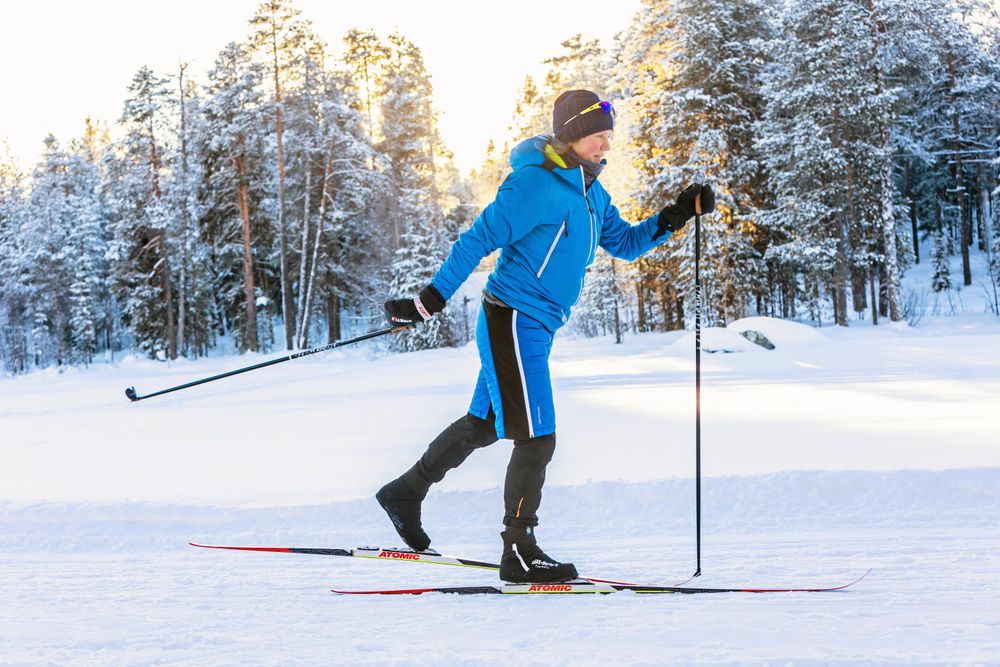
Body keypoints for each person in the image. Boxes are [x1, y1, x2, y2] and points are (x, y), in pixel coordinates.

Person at [378, 89, 715, 583]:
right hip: (512, 318)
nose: (606, 146)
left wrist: (676, 214)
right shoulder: (535, 185)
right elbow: (476, 241)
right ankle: (519, 550)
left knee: (486, 423)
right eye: (599, 137)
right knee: (537, 437)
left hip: (535, 325)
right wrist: (427, 302)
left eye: (608, 137)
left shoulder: (588, 189)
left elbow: (624, 243)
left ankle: (405, 492)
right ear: (574, 135)